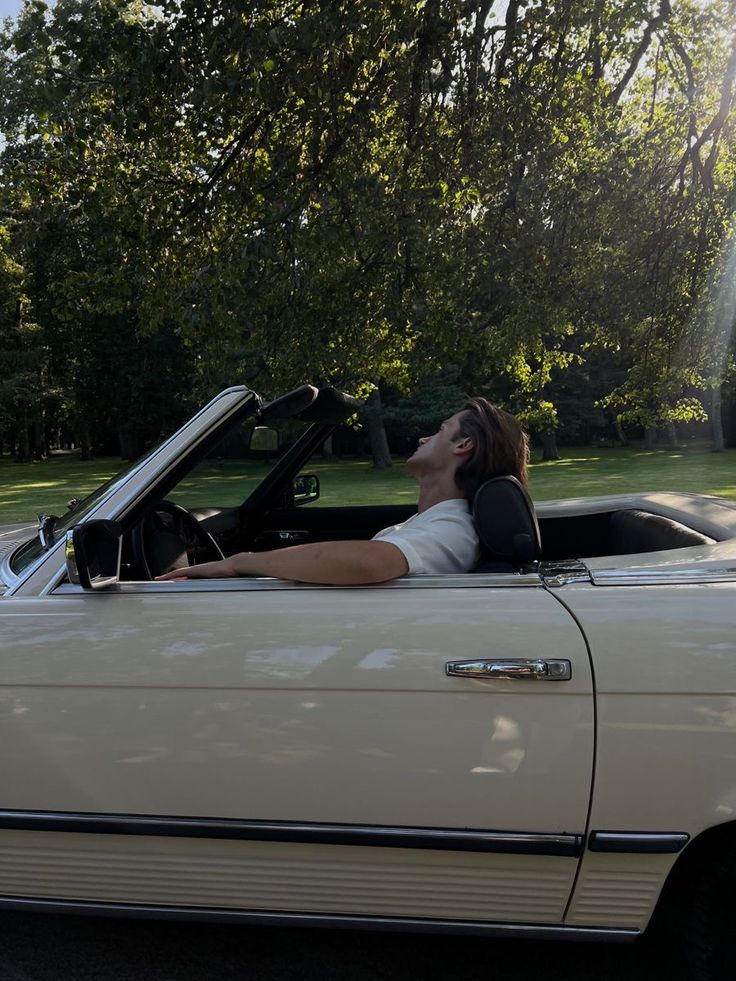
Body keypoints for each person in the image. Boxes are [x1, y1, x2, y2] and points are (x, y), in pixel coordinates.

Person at [156, 398, 529, 585]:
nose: (423, 437)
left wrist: (239, 562)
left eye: (441, 430)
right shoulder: (433, 521)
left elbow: (373, 562)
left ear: (463, 445)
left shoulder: (453, 528)